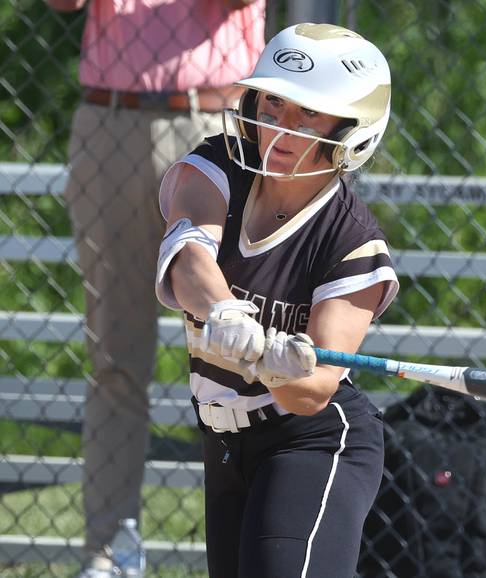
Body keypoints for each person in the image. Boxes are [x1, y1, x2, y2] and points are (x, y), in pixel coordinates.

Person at [155, 22, 398, 577]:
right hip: (222, 440)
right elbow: (191, 254)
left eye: (307, 114)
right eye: (273, 102)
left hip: (312, 443)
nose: (280, 128)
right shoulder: (215, 167)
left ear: (352, 129)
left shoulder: (353, 242)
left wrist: (276, 362)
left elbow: (310, 394)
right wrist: (225, 311)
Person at [42, 0, 265, 575]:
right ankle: (112, 550)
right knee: (115, 356)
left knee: (240, 346)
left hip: (213, 122)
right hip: (109, 121)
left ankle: (261, 536)